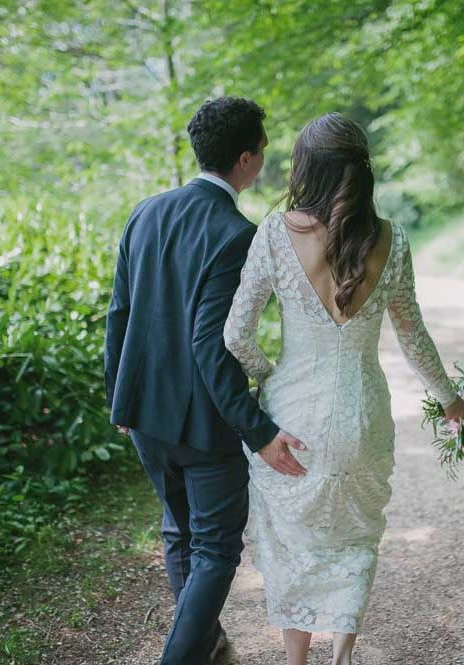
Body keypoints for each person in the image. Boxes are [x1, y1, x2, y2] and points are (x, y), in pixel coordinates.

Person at [223, 111, 464, 665]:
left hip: (291, 415)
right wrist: (452, 402)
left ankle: (296, 661)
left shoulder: (275, 234)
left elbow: (235, 335)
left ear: (306, 168)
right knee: (355, 537)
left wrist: (268, 374)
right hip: (364, 415)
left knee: (294, 543)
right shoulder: (392, 240)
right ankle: (343, 655)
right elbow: (415, 339)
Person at [104, 96, 306, 665]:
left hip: (141, 412)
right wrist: (257, 430)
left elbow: (118, 312)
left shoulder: (144, 212)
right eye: (262, 150)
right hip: (202, 422)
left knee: (179, 533)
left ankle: (209, 645)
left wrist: (117, 399)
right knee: (215, 551)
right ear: (245, 159)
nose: (263, 158)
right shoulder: (234, 231)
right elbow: (209, 344)